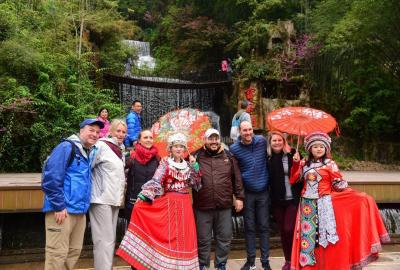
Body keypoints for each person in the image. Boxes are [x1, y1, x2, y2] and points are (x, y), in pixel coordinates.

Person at [290, 132, 390, 270]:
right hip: (307, 205)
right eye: (315, 146)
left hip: (325, 203)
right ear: (309, 149)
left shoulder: (330, 164)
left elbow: (338, 183)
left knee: (327, 239)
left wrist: (341, 185)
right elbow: (294, 179)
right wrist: (295, 164)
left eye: (321, 146)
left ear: (326, 149)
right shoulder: (303, 163)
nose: (319, 149)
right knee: (309, 240)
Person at [116, 133, 202, 270]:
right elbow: (156, 182)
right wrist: (143, 196)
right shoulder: (165, 163)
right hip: (169, 204)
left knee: (184, 237)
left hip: (185, 205)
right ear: (171, 148)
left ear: (184, 149)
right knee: (170, 238)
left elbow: (196, 185)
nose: (179, 149)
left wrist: (195, 168)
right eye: (176, 146)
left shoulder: (188, 164)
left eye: (181, 146)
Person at [42, 118, 103, 270]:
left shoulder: (88, 152)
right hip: (62, 211)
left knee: (73, 252)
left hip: (79, 212)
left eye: (97, 132)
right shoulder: (66, 147)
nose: (95, 134)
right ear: (81, 130)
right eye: (91, 130)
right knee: (57, 254)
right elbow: (50, 178)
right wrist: (58, 206)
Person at [192, 128, 245, 270]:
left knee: (225, 237)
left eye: (216, 138)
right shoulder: (196, 156)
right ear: (205, 140)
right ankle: (202, 264)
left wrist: (239, 197)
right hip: (202, 205)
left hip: (224, 205)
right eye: (211, 138)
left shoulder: (229, 155)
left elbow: (237, 178)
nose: (214, 141)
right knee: (203, 238)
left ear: (219, 140)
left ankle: (221, 263)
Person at [230, 121, 272, 270]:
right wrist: (237, 196)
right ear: (239, 132)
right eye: (244, 130)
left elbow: (276, 149)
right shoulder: (234, 149)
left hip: (263, 192)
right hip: (247, 193)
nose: (248, 133)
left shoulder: (261, 141)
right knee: (249, 228)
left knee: (264, 227)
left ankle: (265, 261)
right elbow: (233, 174)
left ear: (252, 130)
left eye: (249, 130)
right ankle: (250, 261)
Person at [89, 119, 127, 270]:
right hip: (101, 198)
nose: (121, 134)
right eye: (118, 131)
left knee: (109, 239)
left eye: (124, 132)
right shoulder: (101, 145)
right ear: (111, 131)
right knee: (103, 239)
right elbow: (88, 167)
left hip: (114, 199)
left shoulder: (120, 149)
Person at [267, 131, 302, 270]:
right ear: (270, 143)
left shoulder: (293, 154)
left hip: (292, 200)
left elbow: (302, 176)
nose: (277, 142)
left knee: (289, 229)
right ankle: (288, 260)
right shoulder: (268, 158)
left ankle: (296, 258)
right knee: (283, 231)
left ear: (283, 141)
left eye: (279, 140)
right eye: (274, 140)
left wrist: (298, 162)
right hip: (277, 201)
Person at [124, 129, 160, 222]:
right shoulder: (131, 155)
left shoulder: (157, 158)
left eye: (151, 138)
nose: (149, 140)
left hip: (151, 200)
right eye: (145, 137)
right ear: (139, 140)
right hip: (133, 200)